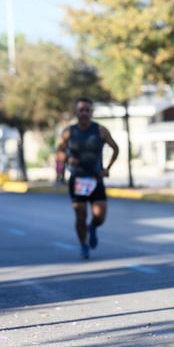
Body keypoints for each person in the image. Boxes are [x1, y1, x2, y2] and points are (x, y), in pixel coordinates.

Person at [56, 97, 120, 260]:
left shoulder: (100, 130)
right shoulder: (69, 132)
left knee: (100, 215)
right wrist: (67, 159)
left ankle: (93, 227)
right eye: (81, 110)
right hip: (78, 179)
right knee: (81, 214)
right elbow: (59, 152)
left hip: (95, 178)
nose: (84, 113)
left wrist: (107, 168)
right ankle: (83, 244)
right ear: (76, 112)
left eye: (87, 110)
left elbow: (115, 148)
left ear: (92, 112)